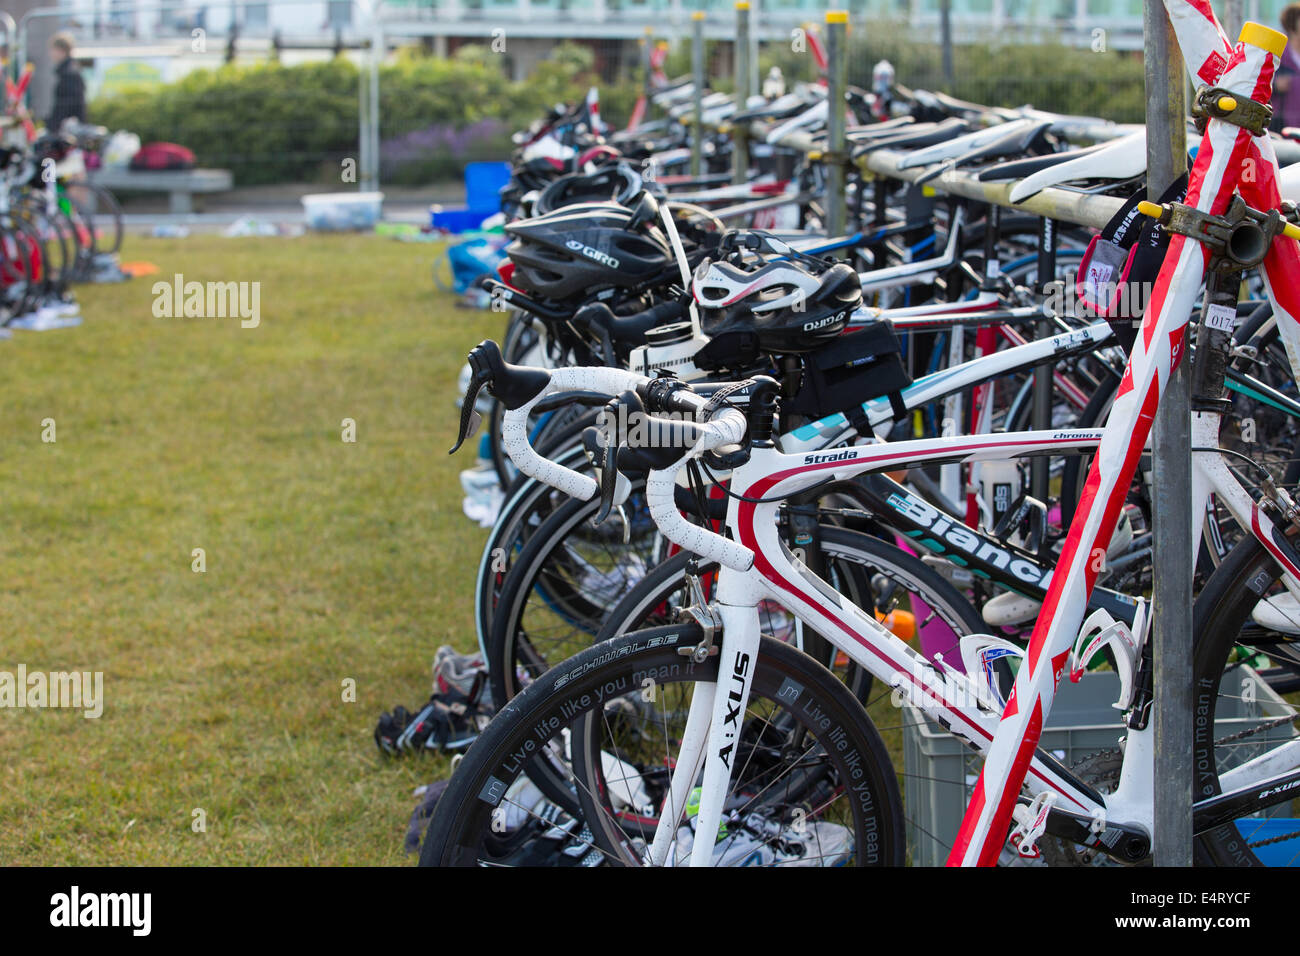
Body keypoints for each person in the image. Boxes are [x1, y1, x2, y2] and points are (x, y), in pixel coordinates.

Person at [46, 31, 86, 133]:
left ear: (62, 51)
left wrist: (53, 125)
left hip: (67, 129)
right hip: (68, 126)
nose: (51, 54)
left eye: (53, 49)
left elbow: (66, 105)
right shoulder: (71, 71)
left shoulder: (69, 74)